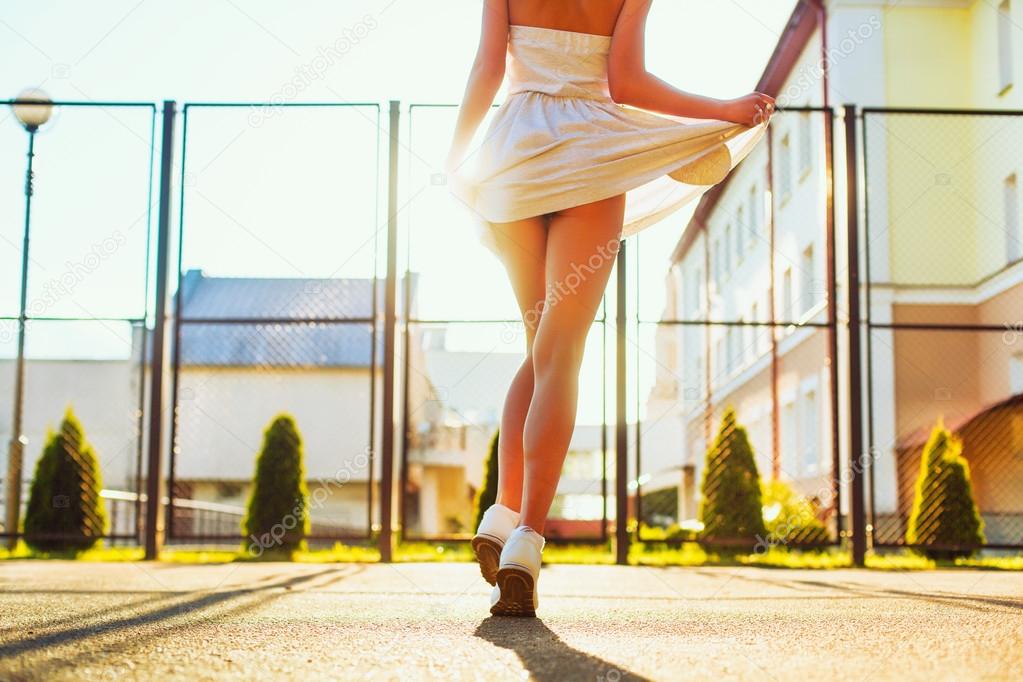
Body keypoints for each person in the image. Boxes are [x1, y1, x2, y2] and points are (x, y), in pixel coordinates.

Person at [445, 0, 775, 617]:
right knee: (561, 354)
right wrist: (725, 109)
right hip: (594, 152)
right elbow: (628, 83)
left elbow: (488, 68)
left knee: (539, 345)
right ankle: (526, 542)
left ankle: (500, 512)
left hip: (514, 154)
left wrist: (453, 159)